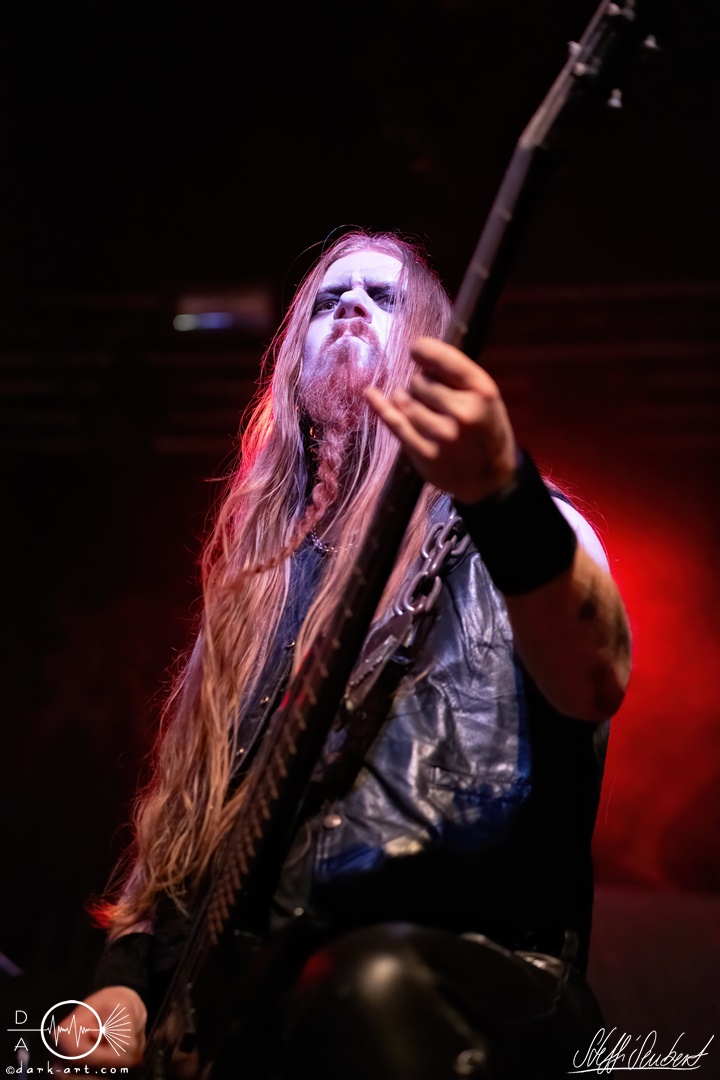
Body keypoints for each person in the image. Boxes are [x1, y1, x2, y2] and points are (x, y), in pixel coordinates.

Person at [59, 231, 631, 1078]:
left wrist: (503, 492)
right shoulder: (254, 590)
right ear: (293, 364)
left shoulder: (514, 530)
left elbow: (596, 676)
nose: (351, 306)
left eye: (381, 297)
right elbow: (182, 816)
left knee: (366, 985)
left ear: (432, 350)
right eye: (328, 300)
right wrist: (126, 980)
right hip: (237, 1017)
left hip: (443, 989)